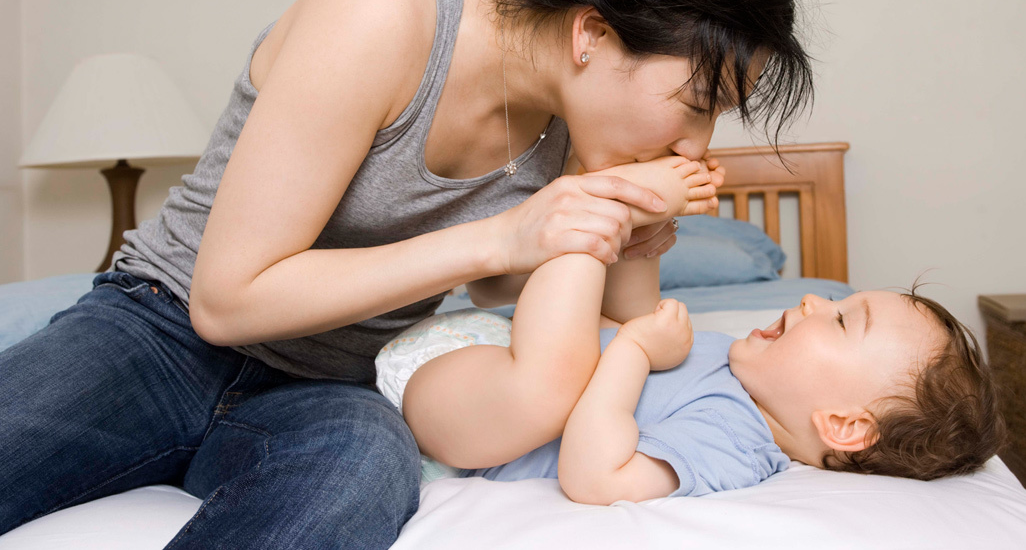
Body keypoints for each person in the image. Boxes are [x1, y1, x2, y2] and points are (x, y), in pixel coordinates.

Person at [0, 0, 814, 547]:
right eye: (699, 104)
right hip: (160, 329)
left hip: (331, 388)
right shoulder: (382, 12)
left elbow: (497, 292)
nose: (697, 146)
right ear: (593, 35)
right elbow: (224, 301)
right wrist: (506, 236)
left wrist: (596, 238)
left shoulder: (577, 130)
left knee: (363, 469)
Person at [379, 155, 1007, 503]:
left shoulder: (737, 444)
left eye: (843, 320)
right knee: (605, 291)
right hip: (486, 354)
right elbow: (618, 326)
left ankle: (604, 193)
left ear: (842, 425)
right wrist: (645, 257)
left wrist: (633, 349)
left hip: (470, 415)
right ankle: (626, 214)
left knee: (578, 282)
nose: (816, 298)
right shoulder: (735, 366)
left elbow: (596, 478)